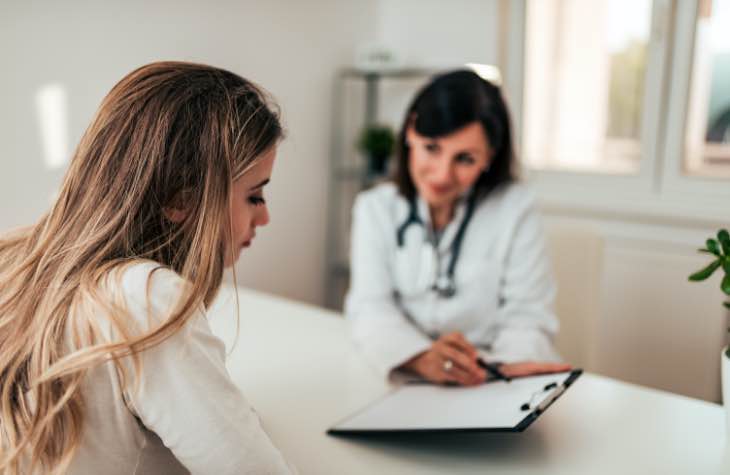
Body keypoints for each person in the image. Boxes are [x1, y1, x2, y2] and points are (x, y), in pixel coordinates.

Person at [0, 62, 295, 474]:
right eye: (254, 196)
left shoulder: (12, 259)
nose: (263, 219)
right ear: (181, 198)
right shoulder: (147, 298)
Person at [345, 69, 571, 386]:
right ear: (411, 131)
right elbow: (370, 308)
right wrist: (421, 357)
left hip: (489, 377)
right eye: (431, 148)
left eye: (464, 159)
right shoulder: (376, 208)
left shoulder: (515, 209)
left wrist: (495, 372)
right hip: (408, 375)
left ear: (489, 156)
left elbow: (528, 317)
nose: (441, 175)